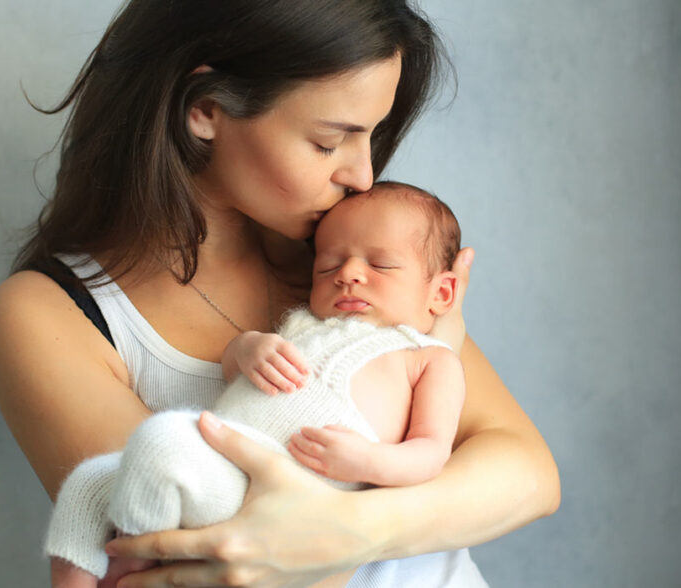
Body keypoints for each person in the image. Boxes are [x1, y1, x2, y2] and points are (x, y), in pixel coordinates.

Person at [0, 2, 560, 587]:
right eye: (331, 140)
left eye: (373, 135)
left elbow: (529, 473)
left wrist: (352, 529)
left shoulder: (347, 259)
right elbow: (205, 565)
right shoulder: (51, 315)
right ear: (204, 109)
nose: (362, 177)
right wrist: (372, 524)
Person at [46, 183, 467, 588]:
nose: (348, 275)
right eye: (329, 265)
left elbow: (430, 451)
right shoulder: (303, 324)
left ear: (442, 292)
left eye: (380, 265)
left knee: (161, 442)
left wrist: (369, 461)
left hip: (277, 499)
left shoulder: (430, 357)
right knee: (90, 481)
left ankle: (135, 565)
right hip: (226, 464)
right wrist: (246, 349)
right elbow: (234, 370)